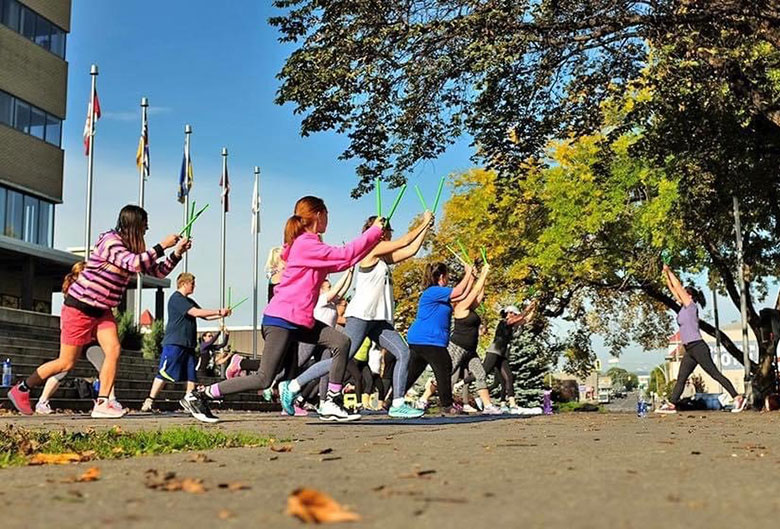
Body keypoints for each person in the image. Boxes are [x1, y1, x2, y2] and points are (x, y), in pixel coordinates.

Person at [191, 196, 384, 422]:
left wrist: (374, 238)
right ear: (319, 215)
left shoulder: (308, 245)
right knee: (264, 378)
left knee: (341, 342)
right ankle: (200, 396)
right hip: (281, 320)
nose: (328, 220)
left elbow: (344, 261)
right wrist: (372, 232)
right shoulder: (305, 244)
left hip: (299, 321)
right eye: (327, 214)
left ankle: (331, 401)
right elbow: (344, 255)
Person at [7, 205, 188, 418]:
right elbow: (133, 263)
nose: (147, 229)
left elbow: (156, 271)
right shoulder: (111, 242)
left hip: (102, 310)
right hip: (79, 307)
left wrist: (176, 253)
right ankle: (22, 389)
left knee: (114, 350)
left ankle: (103, 403)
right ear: (134, 224)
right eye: (144, 225)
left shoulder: (134, 247)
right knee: (66, 362)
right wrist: (162, 246)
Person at [283, 212, 434, 419]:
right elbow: (405, 241)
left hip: (378, 319)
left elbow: (411, 249)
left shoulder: (382, 257)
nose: (386, 234)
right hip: (362, 315)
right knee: (342, 358)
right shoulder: (370, 251)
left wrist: (426, 228)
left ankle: (398, 403)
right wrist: (423, 221)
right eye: (383, 230)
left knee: (403, 352)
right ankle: (293, 386)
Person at [656, 264, 746, 414]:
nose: (680, 295)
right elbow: (673, 289)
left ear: (689, 296)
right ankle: (672, 404)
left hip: (698, 347)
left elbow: (677, 286)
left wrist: (669, 270)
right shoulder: (683, 309)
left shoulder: (691, 306)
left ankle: (737, 397)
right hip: (690, 350)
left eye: (684, 293)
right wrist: (665, 275)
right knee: (681, 377)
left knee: (714, 374)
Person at [140, 273, 231, 422]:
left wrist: (222, 314)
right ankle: (149, 401)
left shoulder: (189, 301)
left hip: (188, 345)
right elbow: (195, 312)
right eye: (192, 284)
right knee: (164, 372)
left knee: (191, 375)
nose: (194, 287)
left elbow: (204, 316)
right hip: (175, 342)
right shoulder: (177, 299)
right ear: (184, 284)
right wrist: (218, 311)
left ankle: (189, 400)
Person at [405, 261, 481, 415]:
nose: (448, 279)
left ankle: (391, 398)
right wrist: (467, 273)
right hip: (428, 340)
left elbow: (463, 295)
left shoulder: (439, 294)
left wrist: (472, 278)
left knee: (412, 373)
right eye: (447, 276)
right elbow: (458, 291)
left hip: (422, 339)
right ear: (441, 276)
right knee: (445, 366)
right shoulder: (434, 291)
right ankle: (446, 405)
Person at [446, 265, 502, 414]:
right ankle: (423, 399)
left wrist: (481, 278)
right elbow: (475, 291)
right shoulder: (460, 307)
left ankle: (488, 406)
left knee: (480, 374)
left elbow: (479, 295)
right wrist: (483, 274)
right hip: (457, 347)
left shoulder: (470, 308)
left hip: (470, 350)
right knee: (446, 374)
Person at [483, 302, 537, 412]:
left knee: (508, 378)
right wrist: (528, 308)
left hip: (502, 355)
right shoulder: (504, 322)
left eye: (513, 313)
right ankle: (460, 384)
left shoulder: (512, 326)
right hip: (494, 352)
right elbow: (521, 317)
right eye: (511, 313)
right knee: (484, 372)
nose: (512, 315)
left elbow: (526, 320)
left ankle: (512, 405)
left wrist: (534, 309)